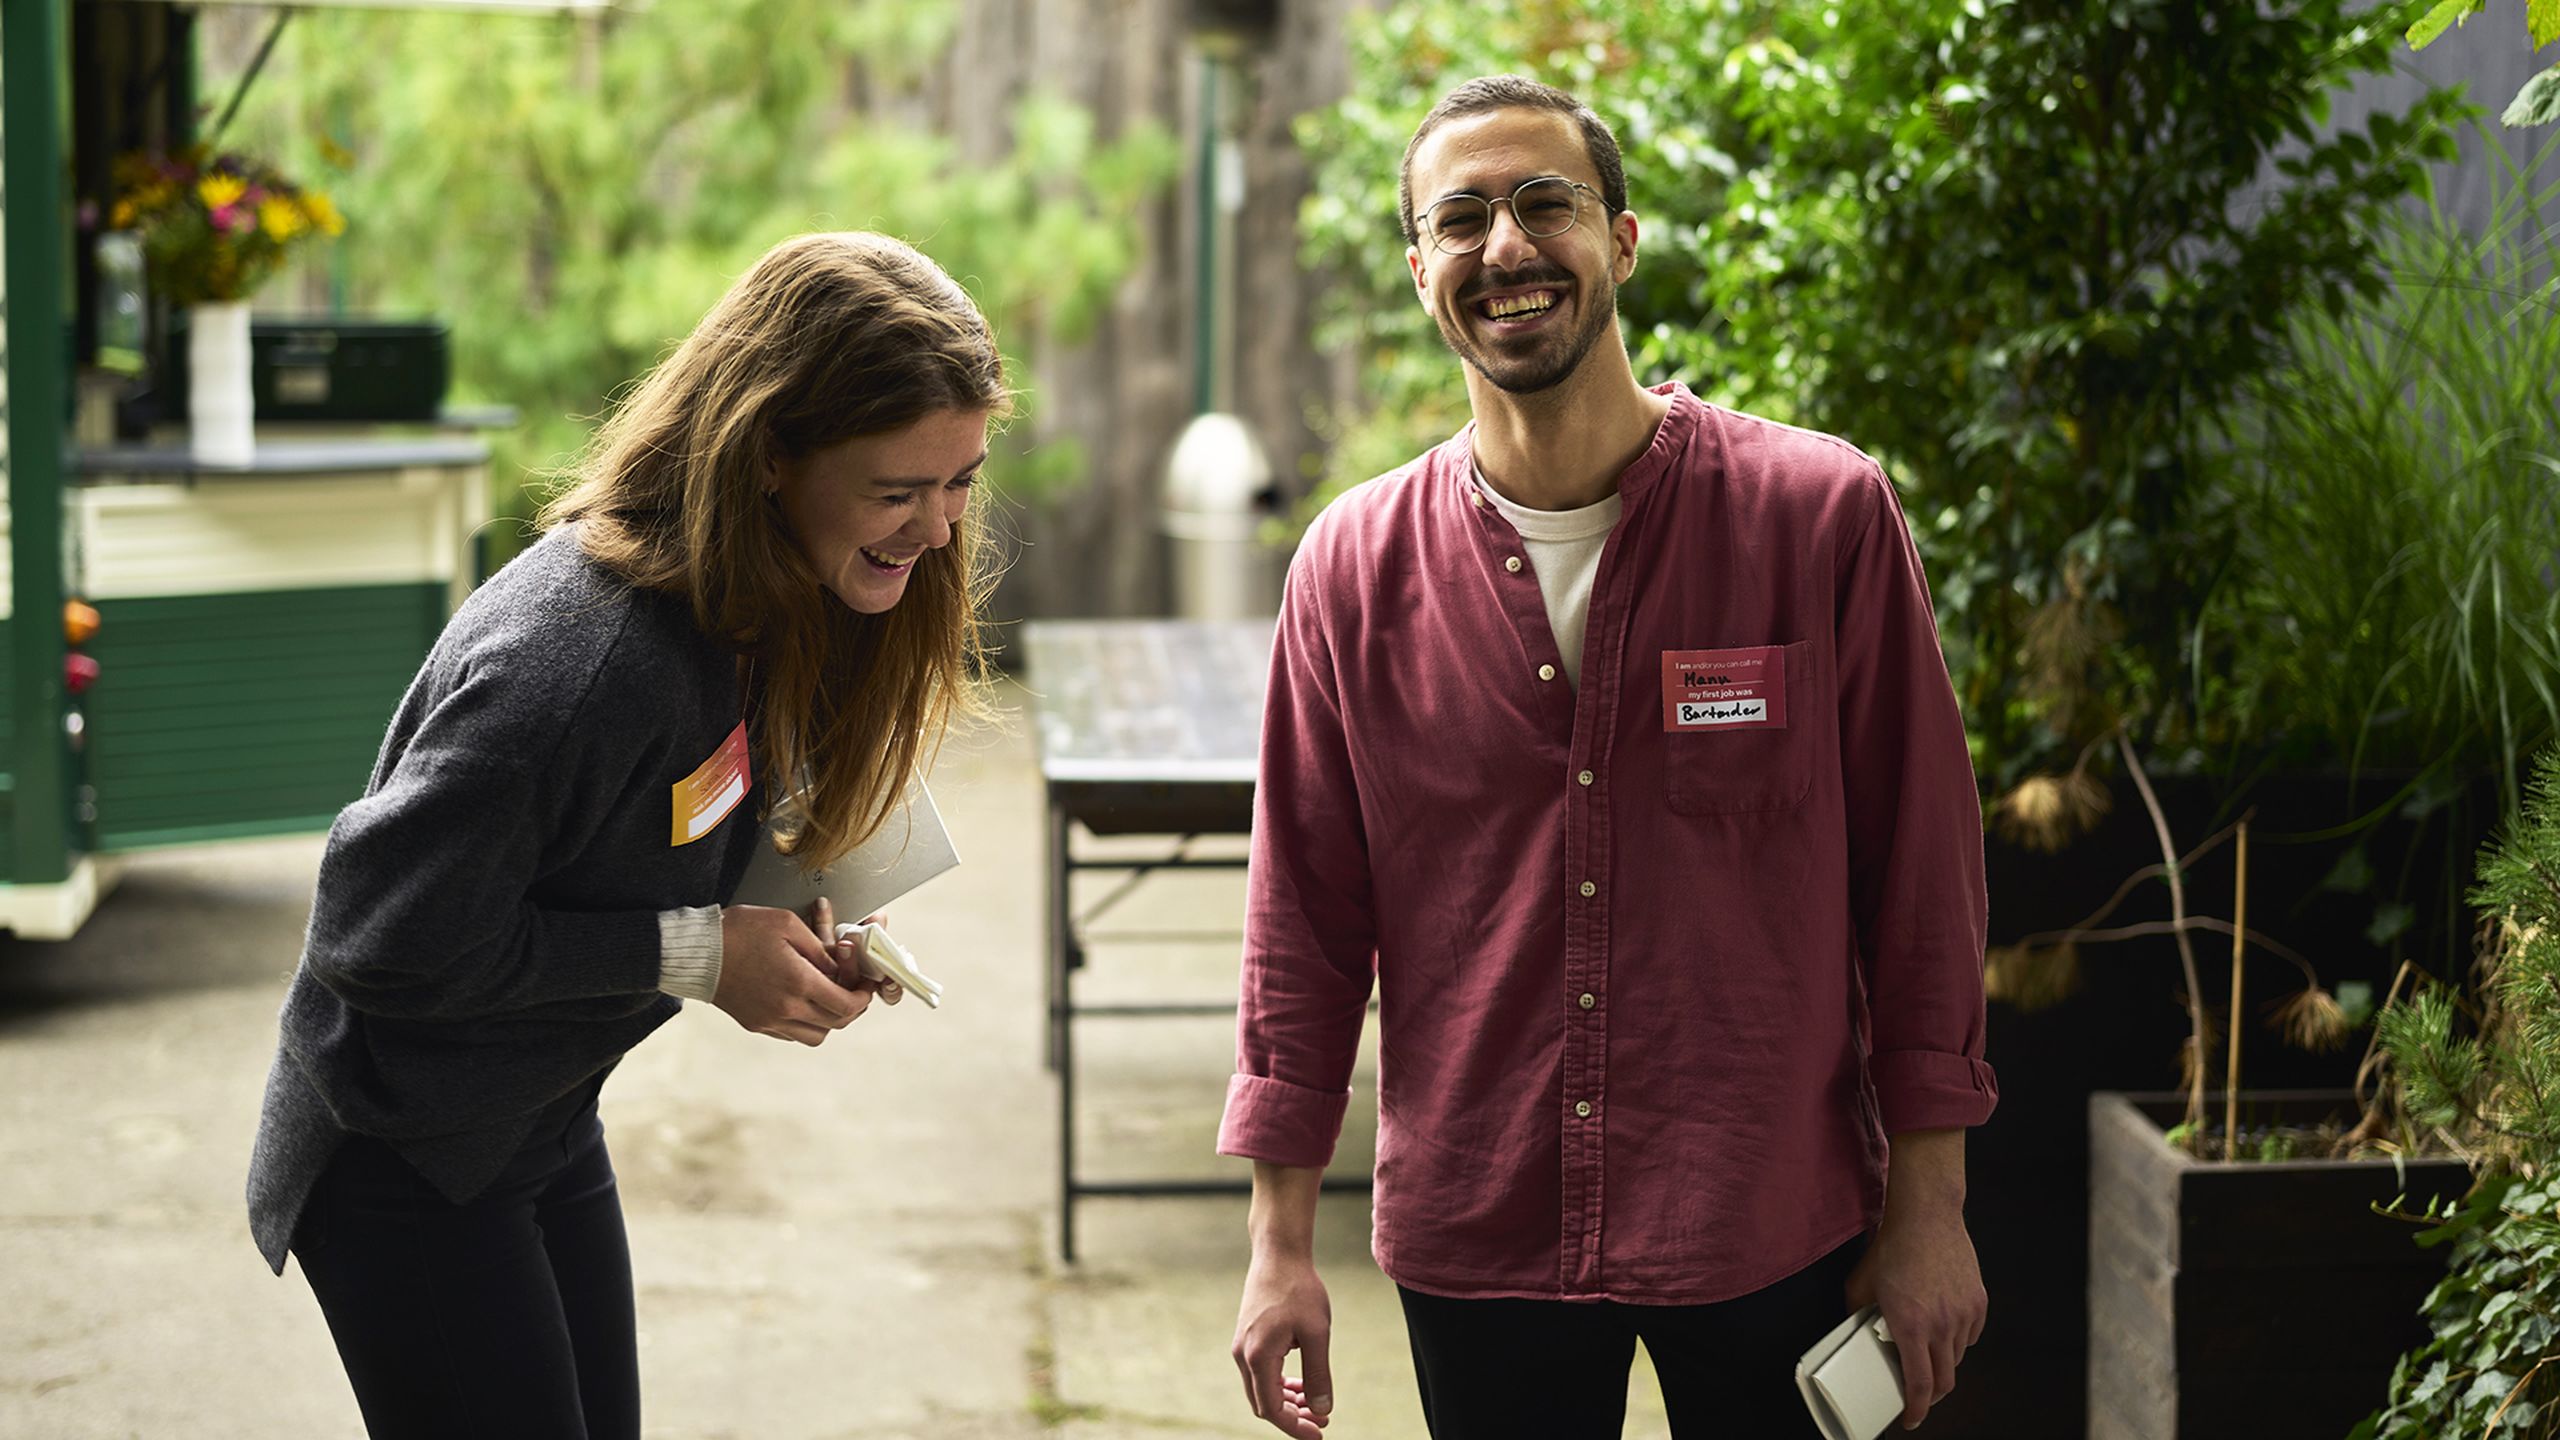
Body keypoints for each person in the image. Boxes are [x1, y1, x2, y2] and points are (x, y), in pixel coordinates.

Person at [1222, 77, 1998, 1439]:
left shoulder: (1821, 522)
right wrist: (1277, 1243)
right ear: (1420, 273)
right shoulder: (1352, 568)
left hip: (1773, 1214)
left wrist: (1932, 1208)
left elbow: (1922, 886)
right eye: (1460, 219)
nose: (1505, 246)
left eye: (1544, 203)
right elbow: (1303, 924)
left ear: (1623, 241)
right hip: (1482, 1225)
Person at [246, 231, 1006, 1439]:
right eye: (897, 490)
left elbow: (683, 821)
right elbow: (376, 937)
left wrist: (794, 919)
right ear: (768, 455)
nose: (936, 528)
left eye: (959, 481)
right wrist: (698, 955)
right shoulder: (588, 659)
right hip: (407, 1150)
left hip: (541, 1113)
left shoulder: (768, 599)